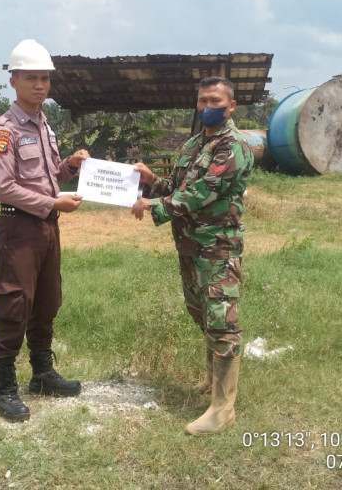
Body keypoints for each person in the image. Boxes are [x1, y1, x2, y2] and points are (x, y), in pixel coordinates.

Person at [131, 76, 253, 435]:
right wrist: (152, 179)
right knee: (200, 311)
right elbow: (177, 187)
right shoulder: (194, 144)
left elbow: (198, 195)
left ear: (231, 106)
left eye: (215, 100)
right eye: (202, 101)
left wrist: (153, 204)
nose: (207, 107)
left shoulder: (232, 147)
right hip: (190, 246)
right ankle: (211, 380)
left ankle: (223, 408)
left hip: (218, 247)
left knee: (221, 318)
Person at [0, 39, 90, 422]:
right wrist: (51, 203)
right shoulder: (4, 130)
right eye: (31, 78)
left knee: (47, 301)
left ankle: (42, 374)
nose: (40, 85)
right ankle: (3, 388)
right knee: (15, 304)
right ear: (13, 80)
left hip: (46, 228)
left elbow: (49, 174)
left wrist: (71, 166)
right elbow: (4, 187)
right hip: (18, 228)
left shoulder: (45, 125)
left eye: (45, 78)